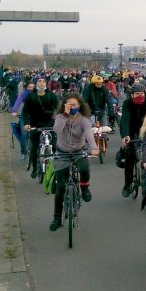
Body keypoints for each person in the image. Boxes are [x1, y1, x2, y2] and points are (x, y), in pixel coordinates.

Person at [50, 93, 99, 231]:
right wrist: (65, 115)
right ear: (65, 105)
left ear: (79, 106)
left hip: (78, 151)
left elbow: (89, 133)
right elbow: (57, 130)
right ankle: (56, 218)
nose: (72, 107)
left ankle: (84, 188)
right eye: (69, 104)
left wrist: (94, 148)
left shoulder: (83, 120)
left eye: (75, 105)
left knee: (84, 167)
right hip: (62, 152)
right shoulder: (60, 117)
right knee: (60, 188)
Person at [22, 78, 60, 179]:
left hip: (49, 124)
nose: (42, 83)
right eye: (39, 81)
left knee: (55, 146)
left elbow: (59, 108)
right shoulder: (31, 96)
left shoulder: (51, 95)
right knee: (34, 148)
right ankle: (35, 168)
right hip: (35, 124)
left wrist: (60, 119)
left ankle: (56, 168)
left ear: (46, 84)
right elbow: (25, 111)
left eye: (43, 81)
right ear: (36, 84)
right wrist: (26, 124)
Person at [120, 84, 146, 197]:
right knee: (130, 156)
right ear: (132, 95)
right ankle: (127, 184)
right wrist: (125, 135)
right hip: (131, 130)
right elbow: (125, 120)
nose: (140, 95)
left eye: (142, 93)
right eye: (137, 94)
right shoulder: (127, 103)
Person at [11, 81, 35, 160]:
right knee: (24, 134)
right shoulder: (24, 94)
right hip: (25, 116)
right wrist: (14, 110)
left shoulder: (38, 93)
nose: (31, 89)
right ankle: (23, 153)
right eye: (29, 87)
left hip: (36, 116)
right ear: (26, 88)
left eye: (33, 87)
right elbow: (18, 101)